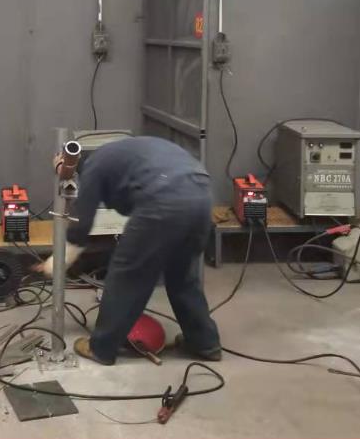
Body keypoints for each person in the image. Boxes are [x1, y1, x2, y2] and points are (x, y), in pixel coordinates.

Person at [35, 135, 221, 365]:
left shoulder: (94, 165)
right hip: (201, 196)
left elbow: (82, 223)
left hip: (163, 199)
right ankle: (205, 344)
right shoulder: (128, 153)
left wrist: (57, 263)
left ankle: (101, 348)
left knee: (127, 275)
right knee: (183, 277)